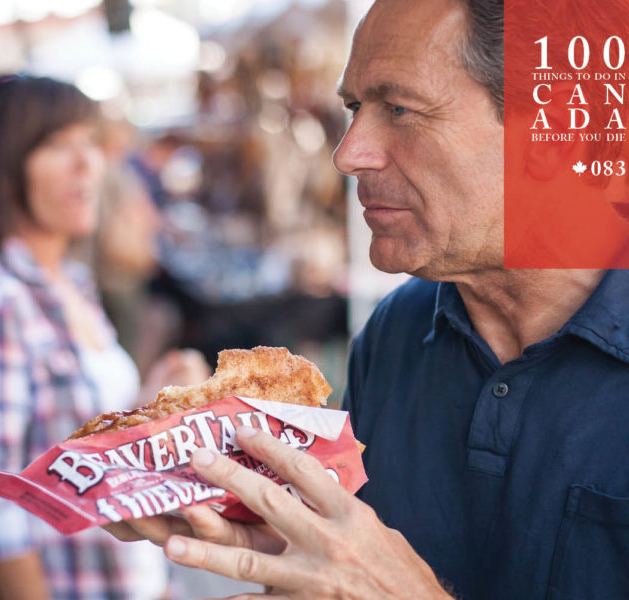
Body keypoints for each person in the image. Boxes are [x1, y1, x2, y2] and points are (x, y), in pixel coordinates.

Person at [101, 1, 629, 599]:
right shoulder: (396, 332)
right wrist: (285, 541)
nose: (349, 153)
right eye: (355, 107)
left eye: (399, 108)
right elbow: (365, 555)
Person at [0, 74, 210, 600]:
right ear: (4, 169)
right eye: (59, 146)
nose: (88, 163)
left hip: (131, 575)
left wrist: (161, 395)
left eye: (88, 142)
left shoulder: (73, 280)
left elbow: (81, 448)